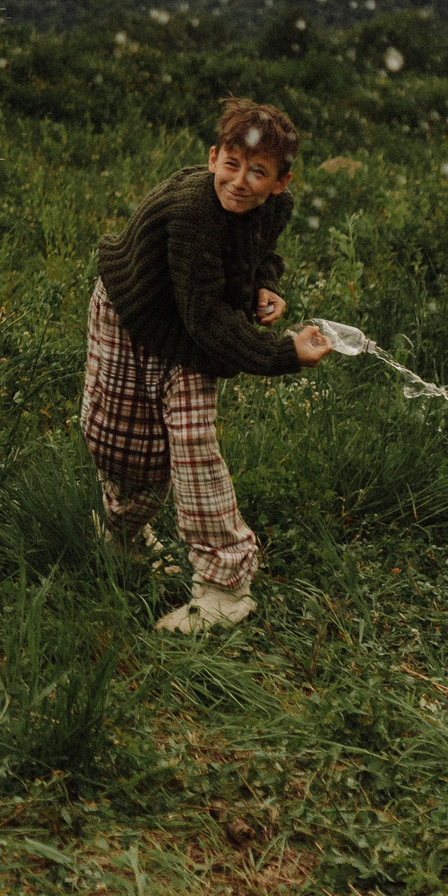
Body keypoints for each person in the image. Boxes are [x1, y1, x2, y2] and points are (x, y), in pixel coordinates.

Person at [83, 97, 332, 633]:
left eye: (258, 172)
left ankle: (224, 587)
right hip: (133, 317)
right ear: (214, 155)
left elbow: (251, 254)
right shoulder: (194, 211)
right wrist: (282, 352)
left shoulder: (267, 208)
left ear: (281, 182)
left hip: (193, 325)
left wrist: (266, 283)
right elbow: (207, 318)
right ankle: (122, 532)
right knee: (124, 441)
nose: (240, 181)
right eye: (232, 164)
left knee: (194, 439)